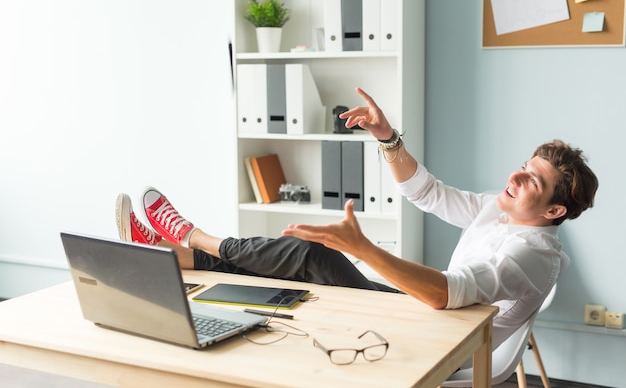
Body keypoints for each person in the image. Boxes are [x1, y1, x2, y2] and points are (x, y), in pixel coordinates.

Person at [115, 87, 598, 355]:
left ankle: (188, 239)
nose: (515, 175)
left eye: (532, 180)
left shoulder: (534, 258)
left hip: (447, 343)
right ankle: (175, 254)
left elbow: (446, 293)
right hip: (423, 312)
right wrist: (387, 137)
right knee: (296, 267)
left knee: (308, 256)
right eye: (525, 164)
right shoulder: (502, 207)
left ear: (554, 211)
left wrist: (362, 248)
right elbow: (426, 192)